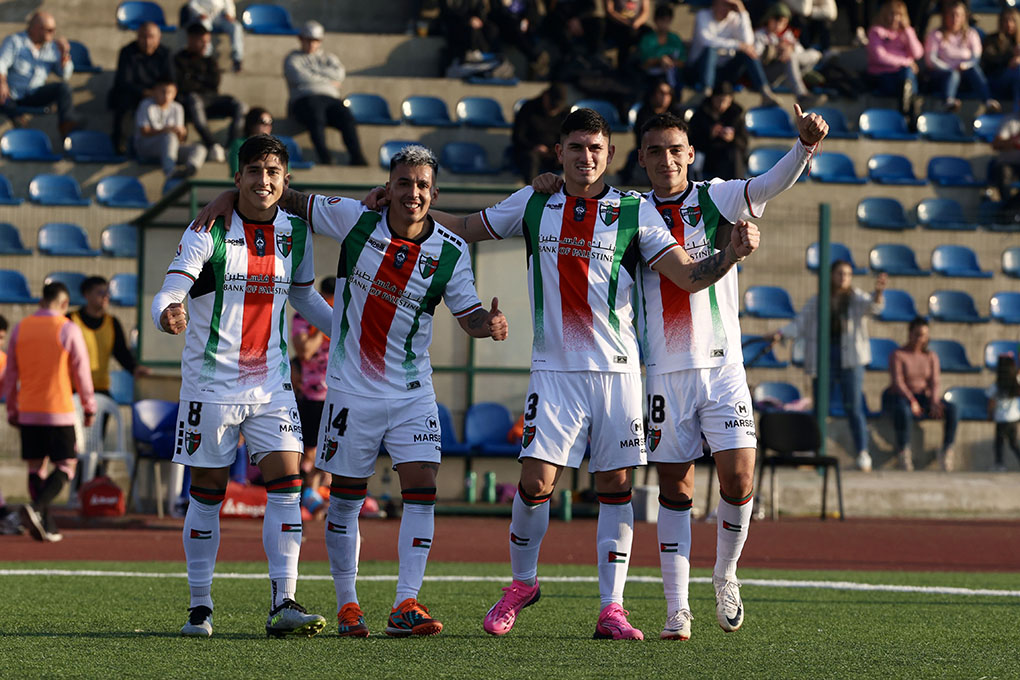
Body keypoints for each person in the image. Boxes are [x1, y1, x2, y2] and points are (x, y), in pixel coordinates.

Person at [415, 108, 759, 640]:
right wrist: (409, 207)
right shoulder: (535, 202)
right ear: (559, 152)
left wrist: (730, 254)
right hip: (554, 370)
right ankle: (522, 584)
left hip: (619, 373)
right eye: (576, 147)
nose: (586, 157)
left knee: (616, 486)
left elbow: (690, 277)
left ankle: (612, 608)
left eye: (595, 148)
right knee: (535, 483)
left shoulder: (633, 213)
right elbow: (466, 227)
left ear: (612, 155)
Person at [532, 104, 827, 640]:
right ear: (640, 159)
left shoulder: (717, 196)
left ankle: (726, 574)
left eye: (676, 149)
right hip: (663, 371)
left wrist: (804, 147)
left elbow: (772, 181)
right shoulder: (630, 210)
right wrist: (549, 181)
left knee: (739, 478)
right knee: (676, 488)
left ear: (690, 154)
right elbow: (576, 199)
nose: (667, 159)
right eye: (656, 151)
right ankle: (676, 607)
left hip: (724, 368)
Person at [191, 143, 509, 638]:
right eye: (404, 183)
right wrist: (224, 199)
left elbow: (466, 313)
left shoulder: (450, 249)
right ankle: (349, 604)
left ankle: (406, 601)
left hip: (411, 390)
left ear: (434, 192)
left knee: (423, 488)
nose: (413, 193)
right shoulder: (355, 219)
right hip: (350, 389)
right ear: (389, 187)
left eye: (423, 185)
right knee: (344, 500)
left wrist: (487, 323)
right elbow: (285, 197)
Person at [151, 134, 333, 638]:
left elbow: (304, 298)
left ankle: (284, 602)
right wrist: (168, 311)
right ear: (238, 179)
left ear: (286, 181)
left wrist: (347, 329)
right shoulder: (208, 229)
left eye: (273, 172)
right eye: (254, 171)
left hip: (273, 385)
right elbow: (171, 286)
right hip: (210, 387)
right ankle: (200, 607)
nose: (264, 180)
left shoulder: (295, 232)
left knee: (287, 488)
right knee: (206, 494)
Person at [2, 281, 96, 543]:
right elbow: (82, 374)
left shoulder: (21, 328)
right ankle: (37, 508)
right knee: (66, 466)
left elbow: (11, 375)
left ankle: (46, 522)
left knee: (35, 468)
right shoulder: (68, 329)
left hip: (28, 411)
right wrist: (89, 408)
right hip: (59, 410)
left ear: (41, 301)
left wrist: (12, 408)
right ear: (64, 304)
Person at [772, 261, 886, 472]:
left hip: (850, 360)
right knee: (820, 408)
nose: (843, 277)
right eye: (840, 273)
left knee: (853, 407)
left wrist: (878, 293)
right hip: (824, 358)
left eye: (848, 274)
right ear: (831, 275)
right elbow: (800, 324)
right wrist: (780, 334)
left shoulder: (856, 297)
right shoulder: (818, 300)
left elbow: (873, 306)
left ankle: (863, 453)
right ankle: (814, 452)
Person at [283, 21, 367, 167]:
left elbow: (339, 74)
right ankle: (325, 157)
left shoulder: (329, 58)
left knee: (346, 116)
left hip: (330, 99)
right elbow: (299, 77)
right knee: (315, 114)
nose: (311, 44)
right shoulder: (292, 58)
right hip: (304, 100)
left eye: (315, 40)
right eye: (307, 40)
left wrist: (313, 75)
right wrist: (327, 80)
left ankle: (357, 158)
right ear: (301, 39)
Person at [881, 317, 959, 471]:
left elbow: (934, 382)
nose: (920, 339)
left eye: (923, 335)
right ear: (910, 334)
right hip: (900, 396)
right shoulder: (898, 355)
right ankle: (904, 451)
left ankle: (946, 450)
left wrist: (934, 401)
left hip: (923, 396)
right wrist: (911, 400)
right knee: (903, 411)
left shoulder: (931, 357)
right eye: (917, 334)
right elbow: (898, 382)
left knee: (952, 409)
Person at [291, 276, 335, 516]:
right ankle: (303, 497)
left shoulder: (345, 316)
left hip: (338, 395)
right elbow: (305, 351)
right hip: (311, 396)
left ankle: (314, 494)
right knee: (308, 452)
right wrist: (322, 322)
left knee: (329, 451)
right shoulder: (304, 317)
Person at [174, 21, 247, 162]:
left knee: (240, 106)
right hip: (191, 102)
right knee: (194, 99)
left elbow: (214, 83)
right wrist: (200, 81)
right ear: (191, 39)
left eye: (207, 41)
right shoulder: (178, 60)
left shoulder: (210, 61)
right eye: (202, 41)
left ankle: (230, 148)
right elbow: (183, 85)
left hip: (212, 99)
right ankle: (212, 145)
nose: (205, 45)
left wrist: (194, 79)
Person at [687, 0, 781, 108]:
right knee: (711, 50)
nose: (726, 9)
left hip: (725, 71)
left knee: (749, 52)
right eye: (723, 4)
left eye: (730, 5)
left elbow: (748, 42)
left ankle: (765, 92)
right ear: (715, 3)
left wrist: (742, 11)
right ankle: (705, 92)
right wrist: (738, 45)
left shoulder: (734, 17)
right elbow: (707, 41)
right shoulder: (702, 15)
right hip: (699, 70)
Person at [68, 276, 151, 398]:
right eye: (100, 292)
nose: (105, 296)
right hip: (73, 389)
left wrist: (134, 368)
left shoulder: (112, 323)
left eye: (107, 292)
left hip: (100, 389)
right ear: (86, 295)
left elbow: (121, 352)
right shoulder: (70, 320)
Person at [0, 11, 80, 135]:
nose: (53, 33)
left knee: (64, 89)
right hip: (11, 95)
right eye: (49, 30)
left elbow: (65, 75)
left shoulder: (52, 48)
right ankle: (19, 123)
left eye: (54, 30)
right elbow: (1, 63)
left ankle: (68, 127)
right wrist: (2, 83)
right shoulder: (15, 41)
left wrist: (64, 54)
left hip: (35, 93)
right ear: (36, 29)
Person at [109, 21, 175, 154]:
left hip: (159, 95)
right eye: (143, 37)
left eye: (151, 37)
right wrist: (147, 93)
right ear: (137, 36)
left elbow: (171, 81)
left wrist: (161, 93)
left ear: (159, 37)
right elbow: (123, 81)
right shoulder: (127, 52)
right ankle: (120, 145)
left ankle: (176, 141)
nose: (147, 41)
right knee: (123, 100)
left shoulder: (166, 54)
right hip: (133, 94)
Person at [924, 0, 999, 114]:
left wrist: (965, 65)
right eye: (951, 15)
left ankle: (988, 101)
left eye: (958, 15)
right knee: (952, 74)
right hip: (942, 75)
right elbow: (931, 60)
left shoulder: (972, 34)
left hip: (965, 75)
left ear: (964, 17)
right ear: (945, 16)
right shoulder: (935, 34)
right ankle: (949, 102)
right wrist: (950, 68)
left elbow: (976, 57)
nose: (954, 18)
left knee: (974, 69)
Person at [754, 2, 825, 108]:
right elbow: (757, 58)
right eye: (775, 20)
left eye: (782, 22)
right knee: (790, 57)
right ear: (768, 19)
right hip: (769, 74)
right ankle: (802, 96)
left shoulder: (788, 35)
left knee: (815, 54)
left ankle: (796, 78)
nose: (778, 25)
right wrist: (776, 50)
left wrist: (790, 48)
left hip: (789, 69)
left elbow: (801, 54)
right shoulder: (760, 34)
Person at [134, 79, 208, 177]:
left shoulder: (178, 108)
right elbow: (144, 131)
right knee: (169, 136)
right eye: (163, 92)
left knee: (200, 149)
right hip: (146, 147)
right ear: (155, 91)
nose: (166, 96)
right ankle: (170, 172)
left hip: (170, 148)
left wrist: (181, 133)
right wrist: (166, 130)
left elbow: (180, 140)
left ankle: (190, 170)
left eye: (170, 92)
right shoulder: (146, 105)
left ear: (175, 93)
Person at [866, 0, 923, 116]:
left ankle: (906, 109)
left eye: (899, 15)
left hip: (903, 76)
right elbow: (880, 57)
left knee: (907, 75)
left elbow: (918, 53)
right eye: (892, 14)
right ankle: (910, 112)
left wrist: (908, 30)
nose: (895, 18)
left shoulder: (906, 32)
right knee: (908, 74)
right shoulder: (876, 31)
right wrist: (907, 62)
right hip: (884, 76)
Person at [688, 81, 748, 180]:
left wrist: (732, 139)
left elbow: (744, 144)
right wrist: (709, 134)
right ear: (712, 99)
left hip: (729, 159)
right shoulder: (701, 114)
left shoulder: (736, 115)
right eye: (718, 100)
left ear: (730, 100)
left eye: (724, 101)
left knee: (734, 153)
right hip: (708, 157)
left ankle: (737, 186)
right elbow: (691, 141)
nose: (721, 105)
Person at [511, 82, 568, 183]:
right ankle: (533, 192)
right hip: (531, 151)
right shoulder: (528, 109)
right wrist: (535, 147)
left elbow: (567, 137)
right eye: (552, 106)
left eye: (557, 108)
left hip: (555, 152)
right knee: (530, 159)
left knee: (571, 157)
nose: (553, 111)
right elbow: (518, 137)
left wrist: (554, 149)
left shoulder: (566, 113)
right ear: (545, 96)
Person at [179, 0, 244, 72]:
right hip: (204, 17)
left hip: (220, 17)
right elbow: (192, 4)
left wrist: (229, 13)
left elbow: (228, 4)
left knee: (236, 27)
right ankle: (206, 58)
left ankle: (237, 59)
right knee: (204, 26)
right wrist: (200, 13)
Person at [637, 4, 687, 90]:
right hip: (651, 78)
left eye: (667, 21)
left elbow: (682, 62)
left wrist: (671, 63)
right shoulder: (648, 39)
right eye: (662, 20)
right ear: (655, 20)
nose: (664, 24)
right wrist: (660, 61)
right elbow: (644, 63)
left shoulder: (675, 38)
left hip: (672, 77)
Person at [981, 7, 1020, 112]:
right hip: (996, 80)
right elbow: (990, 62)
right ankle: (1018, 114)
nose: (1009, 24)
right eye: (1006, 20)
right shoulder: (992, 40)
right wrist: (1010, 59)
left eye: (1012, 20)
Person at [988, 353, 1020, 471]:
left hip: (1001, 420)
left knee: (999, 444)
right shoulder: (1016, 382)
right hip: (1013, 419)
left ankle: (999, 464)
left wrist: (990, 415)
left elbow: (991, 402)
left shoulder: (996, 386)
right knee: (1014, 444)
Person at [605, 0, 650, 68]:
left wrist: (636, 23)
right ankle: (622, 67)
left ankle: (642, 65)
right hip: (617, 24)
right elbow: (609, 11)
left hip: (636, 24)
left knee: (649, 33)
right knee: (625, 35)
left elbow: (646, 12)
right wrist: (626, 23)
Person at [228, 106, 273, 175]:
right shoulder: (239, 144)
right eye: (263, 122)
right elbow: (236, 171)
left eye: (270, 122)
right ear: (252, 123)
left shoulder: (275, 145)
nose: (268, 125)